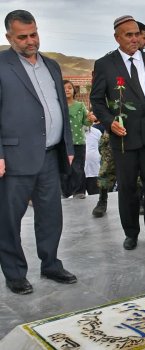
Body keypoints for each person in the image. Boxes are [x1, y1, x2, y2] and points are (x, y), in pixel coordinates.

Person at [0, 10, 77, 294]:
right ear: (9, 37)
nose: (31, 41)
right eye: (23, 37)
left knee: (50, 214)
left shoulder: (52, 65)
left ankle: (51, 264)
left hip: (50, 155)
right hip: (13, 157)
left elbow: (62, 110)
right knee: (9, 219)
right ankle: (15, 273)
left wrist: (67, 146)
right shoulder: (1, 65)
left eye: (34, 34)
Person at [90, 15, 145, 250]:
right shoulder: (105, 64)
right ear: (117, 38)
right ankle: (131, 233)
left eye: (137, 34)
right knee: (127, 187)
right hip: (124, 137)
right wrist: (109, 122)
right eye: (129, 35)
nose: (135, 38)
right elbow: (97, 101)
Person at [60, 80, 94, 199]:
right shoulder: (58, 106)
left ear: (74, 90)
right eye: (64, 88)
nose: (67, 90)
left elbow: (85, 122)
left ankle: (79, 192)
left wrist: (90, 119)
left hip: (78, 142)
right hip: (62, 143)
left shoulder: (80, 106)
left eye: (69, 87)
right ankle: (64, 193)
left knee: (78, 168)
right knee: (63, 168)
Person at [85, 112, 104, 195]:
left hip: (94, 170)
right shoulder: (74, 133)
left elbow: (102, 149)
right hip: (79, 171)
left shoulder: (97, 132)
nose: (89, 119)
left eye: (90, 117)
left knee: (94, 195)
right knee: (78, 197)